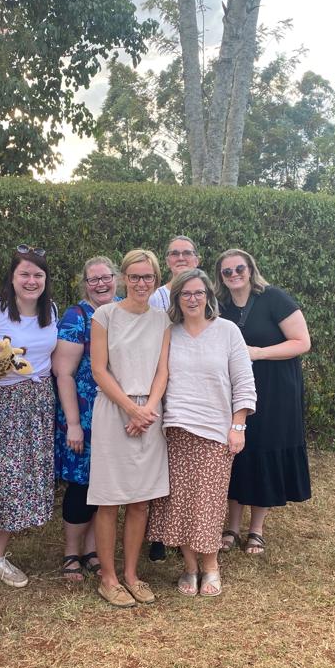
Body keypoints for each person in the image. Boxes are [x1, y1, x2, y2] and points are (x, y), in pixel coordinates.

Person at [147, 269, 255, 596]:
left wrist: (238, 426)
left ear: (208, 296)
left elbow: (244, 381)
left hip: (216, 432)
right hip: (176, 429)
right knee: (179, 503)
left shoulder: (227, 331)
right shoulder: (170, 333)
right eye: (185, 293)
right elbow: (160, 377)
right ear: (177, 298)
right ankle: (190, 567)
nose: (192, 299)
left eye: (198, 293)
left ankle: (211, 567)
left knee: (208, 502)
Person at [214, 249, 312, 555]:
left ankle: (256, 529)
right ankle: (231, 526)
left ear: (250, 269)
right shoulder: (219, 306)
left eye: (239, 268)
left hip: (275, 388)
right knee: (236, 452)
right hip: (234, 389)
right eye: (227, 271)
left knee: (265, 450)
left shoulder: (274, 298)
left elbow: (302, 342)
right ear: (220, 277)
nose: (234, 275)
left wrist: (258, 353)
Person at [88, 249, 172, 607]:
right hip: (114, 410)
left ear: (155, 280)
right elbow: (98, 369)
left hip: (149, 413)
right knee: (109, 500)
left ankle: (132, 575)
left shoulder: (163, 319)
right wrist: (130, 409)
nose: (141, 283)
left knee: (140, 500)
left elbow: (163, 370)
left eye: (147, 277)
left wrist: (147, 409)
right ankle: (108, 578)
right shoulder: (105, 315)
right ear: (124, 278)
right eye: (135, 276)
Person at [0, 245, 58, 587]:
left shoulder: (50, 310)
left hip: (38, 403)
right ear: (12, 277)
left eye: (38, 274)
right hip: (0, 405)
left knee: (19, 479)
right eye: (24, 274)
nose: (31, 280)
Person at [51, 256, 121, 581]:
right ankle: (71, 552)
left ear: (116, 278)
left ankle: (93, 549)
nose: (101, 284)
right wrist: (74, 424)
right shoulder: (76, 317)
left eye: (106, 277)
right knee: (81, 485)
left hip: (118, 414)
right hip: (84, 416)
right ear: (85, 284)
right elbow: (63, 373)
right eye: (93, 279)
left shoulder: (125, 310)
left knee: (105, 486)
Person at [147, 234, 202, 562]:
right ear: (167, 260)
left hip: (193, 390)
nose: (181, 258)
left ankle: (190, 530)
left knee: (192, 469)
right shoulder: (156, 296)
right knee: (162, 463)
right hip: (161, 384)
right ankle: (158, 533)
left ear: (197, 259)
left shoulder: (203, 292)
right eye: (174, 253)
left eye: (187, 253)